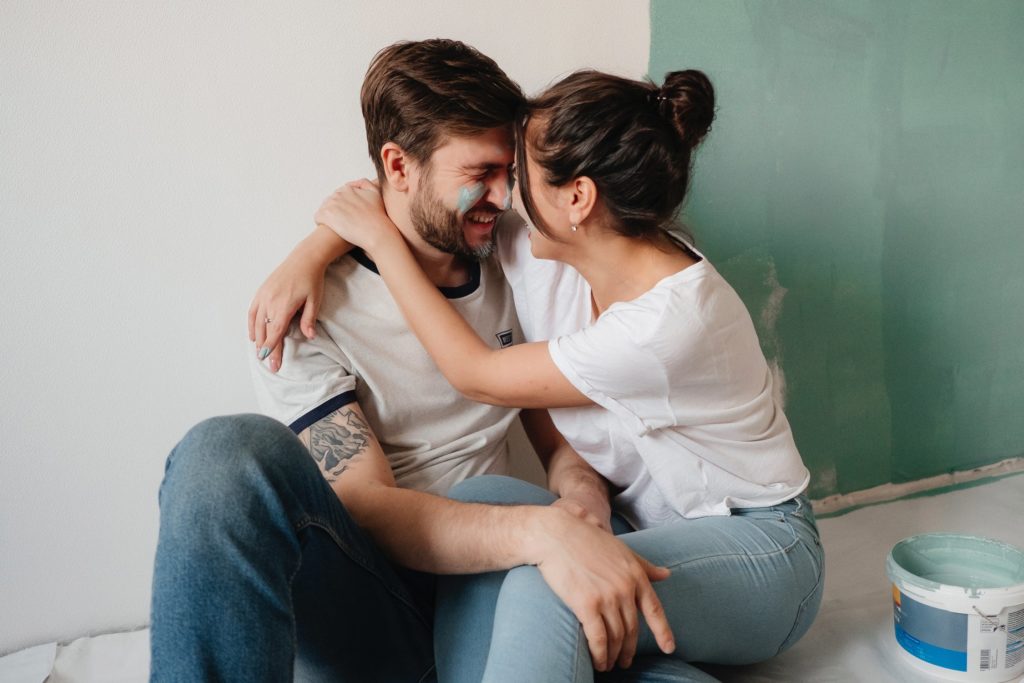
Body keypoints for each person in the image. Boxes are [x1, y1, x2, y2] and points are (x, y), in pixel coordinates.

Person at [252, 69, 825, 682]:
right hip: (645, 528)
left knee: (550, 584)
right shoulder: (556, 247)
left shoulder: (668, 323)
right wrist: (313, 250)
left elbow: (478, 374)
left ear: (577, 198)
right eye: (492, 177)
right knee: (481, 503)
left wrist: (381, 249)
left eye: (517, 176)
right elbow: (419, 197)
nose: (502, 198)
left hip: (762, 547)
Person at [150, 39, 678, 683]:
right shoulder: (310, 313)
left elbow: (556, 429)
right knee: (222, 451)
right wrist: (536, 533)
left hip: (496, 592)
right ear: (398, 166)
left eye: (509, 172)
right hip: (377, 607)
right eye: (479, 173)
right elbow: (367, 506)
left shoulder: (521, 257)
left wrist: (580, 501)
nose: (504, 195)